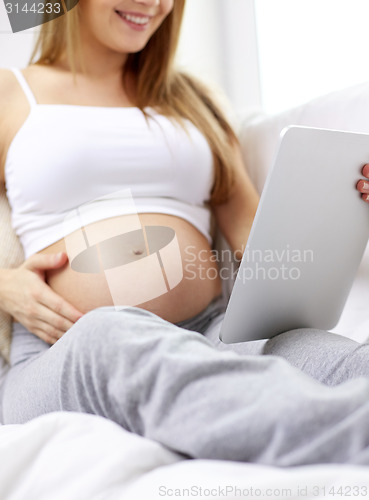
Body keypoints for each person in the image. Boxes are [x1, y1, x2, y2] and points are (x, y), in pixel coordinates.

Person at [1, 0, 369, 466]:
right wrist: (4, 285)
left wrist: (343, 206)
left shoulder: (193, 98)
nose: (154, 4)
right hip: (67, 349)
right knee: (115, 334)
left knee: (333, 358)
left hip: (213, 333)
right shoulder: (10, 92)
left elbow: (256, 237)